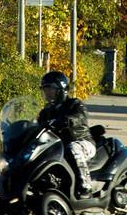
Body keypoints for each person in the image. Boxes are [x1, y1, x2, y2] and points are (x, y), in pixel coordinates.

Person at [38, 70, 96, 198]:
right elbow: (38, 127)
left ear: (61, 90)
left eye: (50, 89)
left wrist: (68, 120)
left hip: (82, 141)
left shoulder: (74, 104)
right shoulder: (45, 112)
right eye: (45, 89)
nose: (47, 93)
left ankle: (85, 185)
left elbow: (80, 116)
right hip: (58, 147)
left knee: (73, 148)